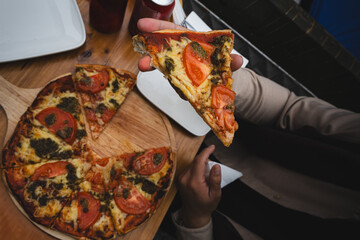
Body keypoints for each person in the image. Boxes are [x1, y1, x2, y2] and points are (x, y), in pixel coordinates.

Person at [136, 18, 360, 240]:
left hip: (166, 207)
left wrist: (196, 221)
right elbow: (287, 109)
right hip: (205, 131)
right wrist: (219, 81)